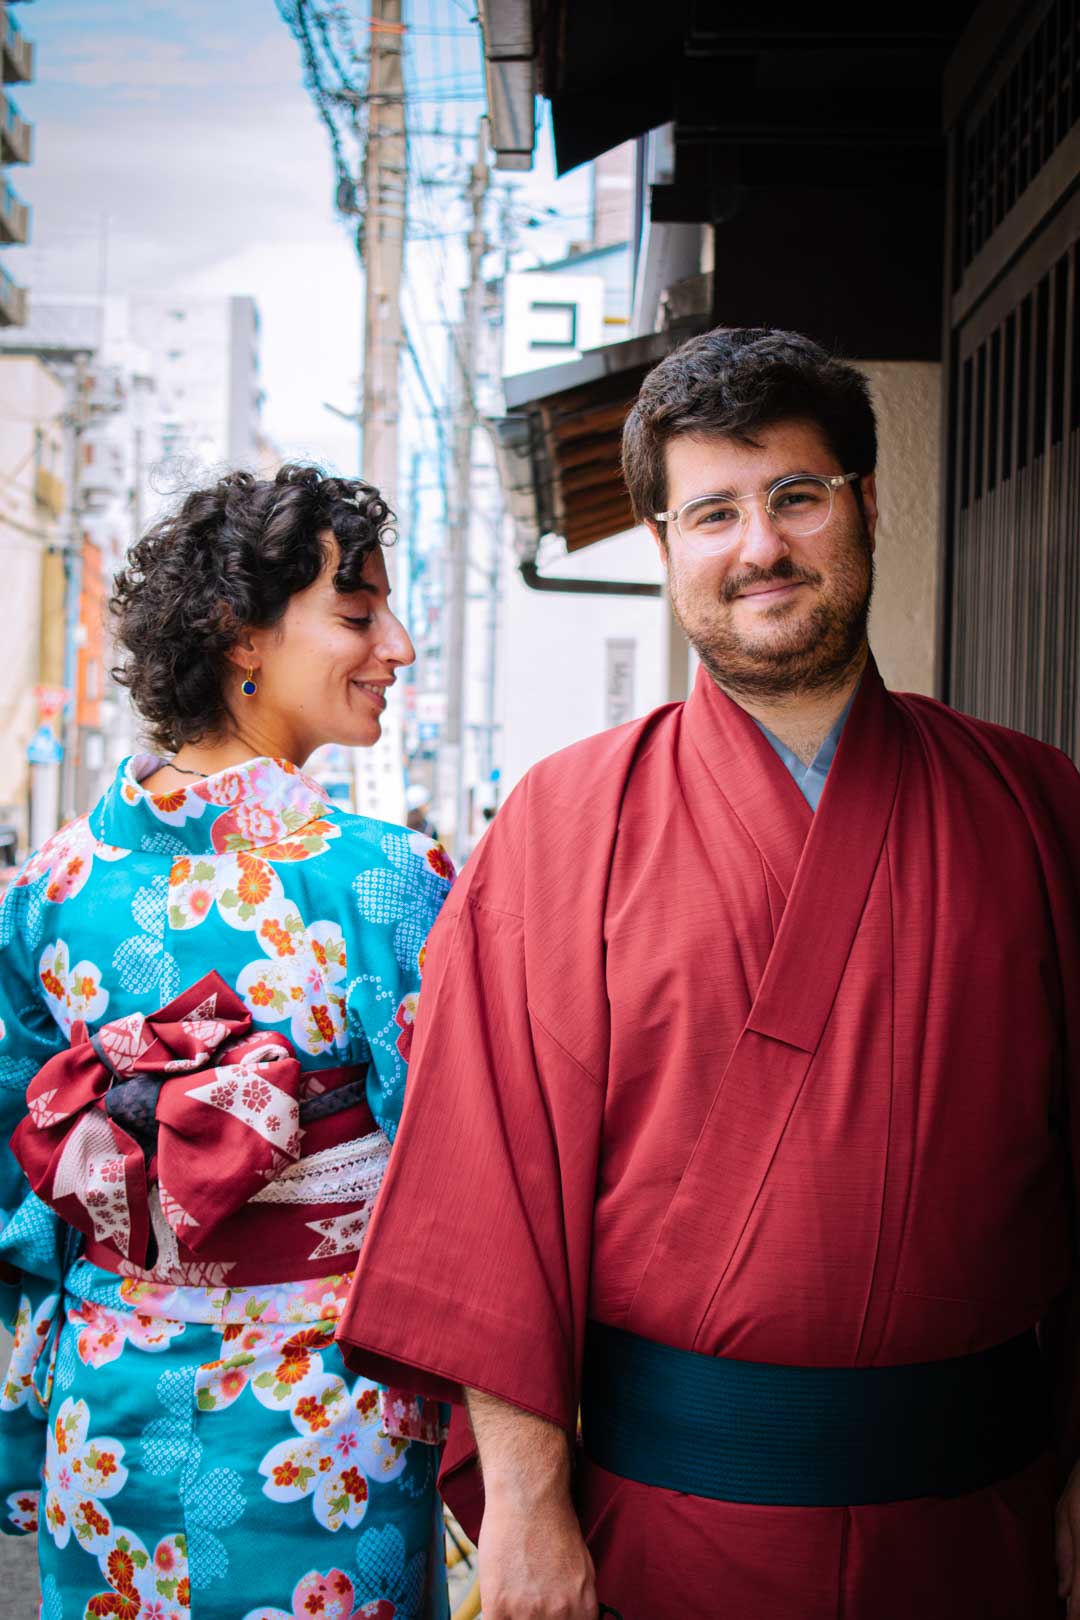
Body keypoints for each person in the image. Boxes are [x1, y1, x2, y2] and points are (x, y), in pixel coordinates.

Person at [335, 328, 1080, 1620]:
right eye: (714, 513)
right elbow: (488, 1189)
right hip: (670, 1531)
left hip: (980, 1530)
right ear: (663, 542)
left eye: (798, 495)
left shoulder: (1036, 806)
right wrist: (526, 1504)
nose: (761, 546)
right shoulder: (562, 826)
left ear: (868, 502)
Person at [0, 466, 455, 1620]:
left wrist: (19, 1420)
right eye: (358, 614)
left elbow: (22, 1190)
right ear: (239, 635)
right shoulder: (385, 881)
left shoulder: (51, 886)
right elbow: (464, 1188)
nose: (397, 647)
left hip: (103, 1416)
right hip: (326, 1431)